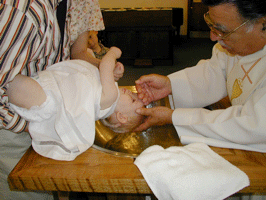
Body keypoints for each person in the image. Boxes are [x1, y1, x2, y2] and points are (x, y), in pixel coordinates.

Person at [0, 0, 117, 199]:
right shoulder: (25, 9)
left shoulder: (64, 5)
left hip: (35, 118)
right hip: (12, 126)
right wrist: (39, 124)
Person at [135, 0, 266, 153]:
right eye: (211, 24)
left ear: (262, 24)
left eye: (223, 31)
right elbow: (216, 72)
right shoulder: (234, 46)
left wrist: (175, 117)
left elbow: (253, 125)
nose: (213, 37)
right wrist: (171, 85)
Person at [6, 47, 144, 161]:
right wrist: (114, 73)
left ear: (121, 117)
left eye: (132, 99)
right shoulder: (103, 99)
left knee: (7, 81)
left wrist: (113, 53)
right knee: (9, 83)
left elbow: (105, 65)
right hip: (43, 94)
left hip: (45, 98)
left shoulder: (111, 96)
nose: (130, 92)